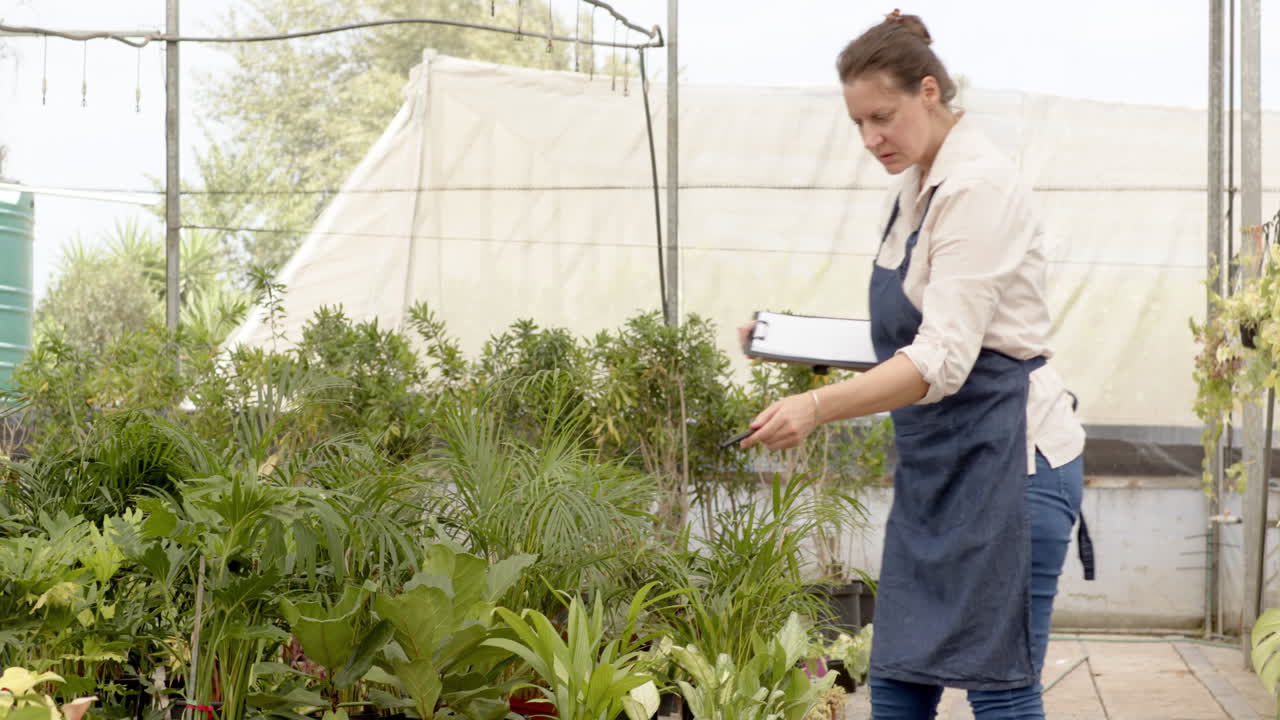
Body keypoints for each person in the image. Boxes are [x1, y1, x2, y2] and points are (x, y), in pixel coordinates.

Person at [735, 10, 1090, 720]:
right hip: (938, 472)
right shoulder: (914, 186)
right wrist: (789, 342)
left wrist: (815, 408)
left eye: (884, 117)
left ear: (930, 91)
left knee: (1001, 687)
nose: (872, 139)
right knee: (897, 680)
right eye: (858, 123)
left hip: (1009, 467)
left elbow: (943, 361)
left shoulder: (978, 187)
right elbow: (911, 329)